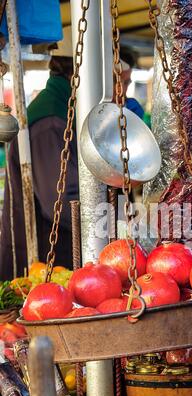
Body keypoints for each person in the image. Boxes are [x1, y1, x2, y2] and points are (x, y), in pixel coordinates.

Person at [0, 28, 145, 280]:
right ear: (83, 73)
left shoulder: (72, 111)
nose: (118, 90)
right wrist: (121, 225)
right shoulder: (51, 122)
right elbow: (62, 202)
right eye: (115, 79)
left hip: (66, 258)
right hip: (45, 267)